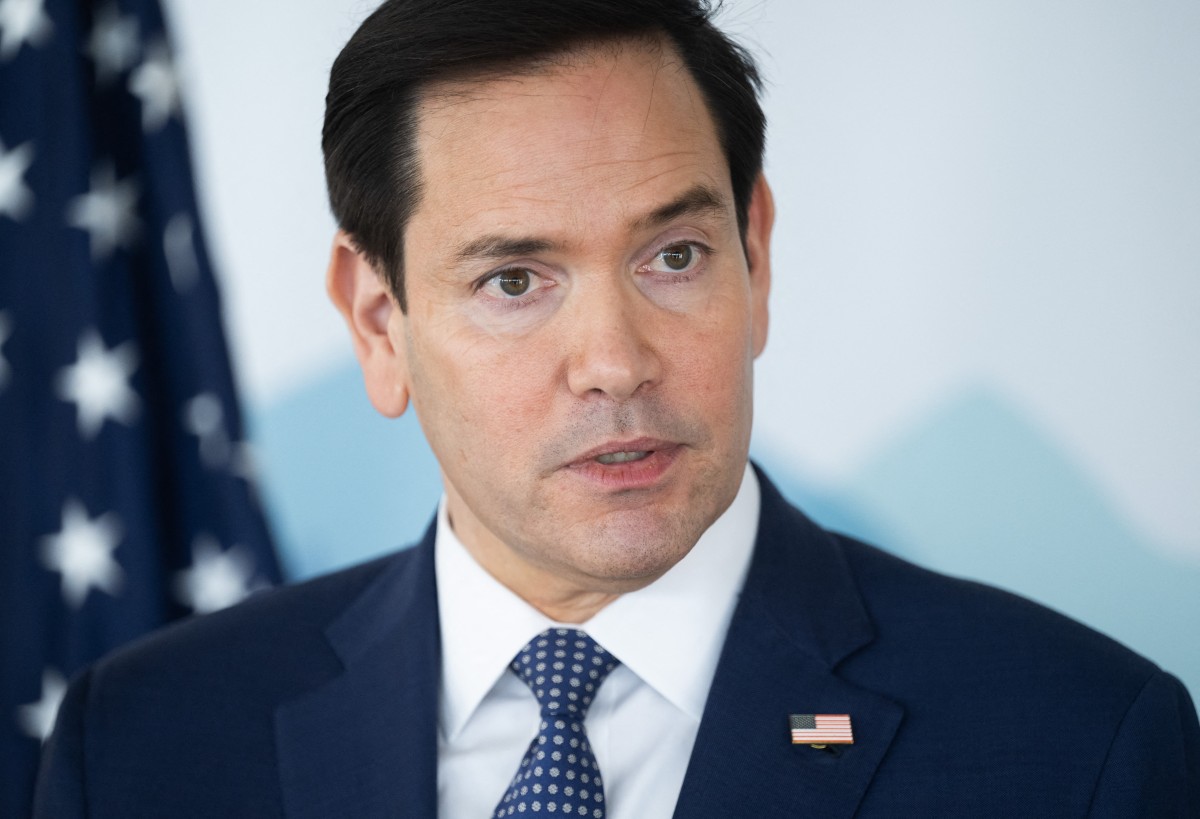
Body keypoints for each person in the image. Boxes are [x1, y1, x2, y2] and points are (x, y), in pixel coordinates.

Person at [35, 0, 1199, 815]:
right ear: (379, 324)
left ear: (759, 258)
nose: (614, 361)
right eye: (513, 282)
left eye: (676, 257)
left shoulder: (1080, 744)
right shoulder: (143, 742)